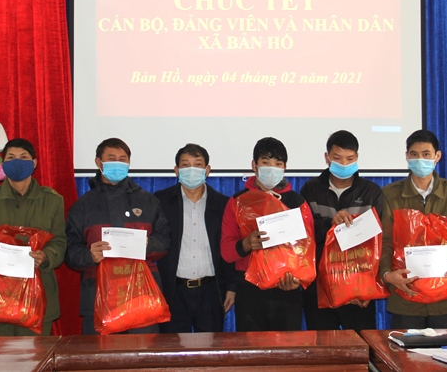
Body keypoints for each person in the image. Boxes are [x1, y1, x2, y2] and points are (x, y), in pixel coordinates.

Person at [65, 138, 171, 335]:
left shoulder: (148, 202)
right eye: (111, 158)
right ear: (98, 162)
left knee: (143, 353)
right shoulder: (83, 206)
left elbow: (165, 241)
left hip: (141, 297)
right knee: (101, 353)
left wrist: (147, 244)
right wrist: (89, 255)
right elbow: (69, 251)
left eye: (123, 159)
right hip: (99, 297)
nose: (118, 163)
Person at [379, 129, 447, 328]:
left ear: (437, 156)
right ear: (407, 156)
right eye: (414, 154)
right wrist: (387, 274)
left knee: (446, 348)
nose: (420, 160)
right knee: (405, 349)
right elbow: (385, 242)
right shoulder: (390, 195)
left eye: (426, 154)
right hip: (406, 295)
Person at [0, 138, 65, 336]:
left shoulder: (52, 200)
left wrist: (46, 256)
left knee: (34, 354)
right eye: (11, 157)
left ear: (34, 163)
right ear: (3, 163)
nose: (17, 161)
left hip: (37, 297)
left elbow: (59, 241)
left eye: (23, 157)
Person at [220, 137, 314, 331]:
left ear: (285, 167)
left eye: (278, 164)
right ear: (254, 165)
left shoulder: (297, 203)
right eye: (265, 162)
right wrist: (246, 244)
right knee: (251, 349)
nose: (272, 168)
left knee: (288, 349)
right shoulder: (237, 202)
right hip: (249, 291)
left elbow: (307, 251)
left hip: (287, 289)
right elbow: (226, 252)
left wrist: (298, 280)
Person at [300, 130, 384, 332]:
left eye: (350, 159)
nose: (344, 164)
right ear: (327, 158)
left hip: (358, 290)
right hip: (319, 289)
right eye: (337, 158)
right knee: (323, 347)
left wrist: (368, 289)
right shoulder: (310, 189)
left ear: (357, 158)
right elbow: (304, 235)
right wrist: (330, 224)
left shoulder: (371, 192)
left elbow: (379, 242)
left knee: (361, 346)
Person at [154, 143, 235, 333]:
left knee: (210, 348)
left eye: (198, 165)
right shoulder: (161, 201)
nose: (192, 170)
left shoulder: (223, 204)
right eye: (185, 165)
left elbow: (228, 247)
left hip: (210, 291)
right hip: (173, 291)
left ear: (207, 170)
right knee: (171, 348)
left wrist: (232, 287)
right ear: (176, 170)